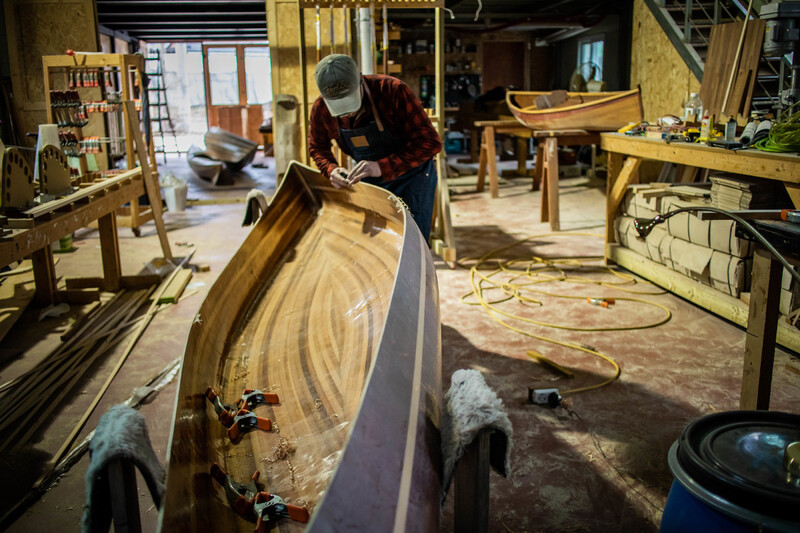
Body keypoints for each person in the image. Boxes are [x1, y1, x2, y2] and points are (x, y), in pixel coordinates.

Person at [308, 54, 442, 240]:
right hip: (371, 179)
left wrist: (381, 166)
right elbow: (317, 146)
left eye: (350, 100)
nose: (348, 112)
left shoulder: (393, 91)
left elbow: (430, 142)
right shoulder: (321, 108)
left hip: (412, 177)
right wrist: (331, 169)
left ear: (360, 81)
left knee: (412, 242)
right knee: (378, 242)